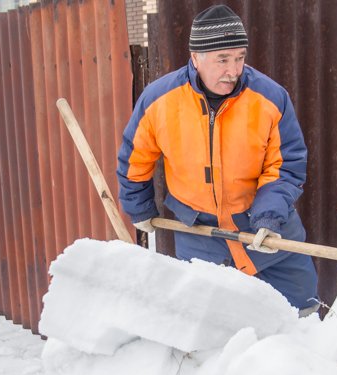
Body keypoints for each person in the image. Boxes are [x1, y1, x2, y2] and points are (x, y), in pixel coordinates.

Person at [116, 4, 319, 315]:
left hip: (270, 238)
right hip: (201, 239)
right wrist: (138, 207)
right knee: (214, 333)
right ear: (196, 58)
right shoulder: (160, 100)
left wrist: (269, 216)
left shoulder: (270, 98)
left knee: (302, 322)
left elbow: (286, 164)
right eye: (222, 59)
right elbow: (135, 158)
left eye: (239, 58)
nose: (233, 70)